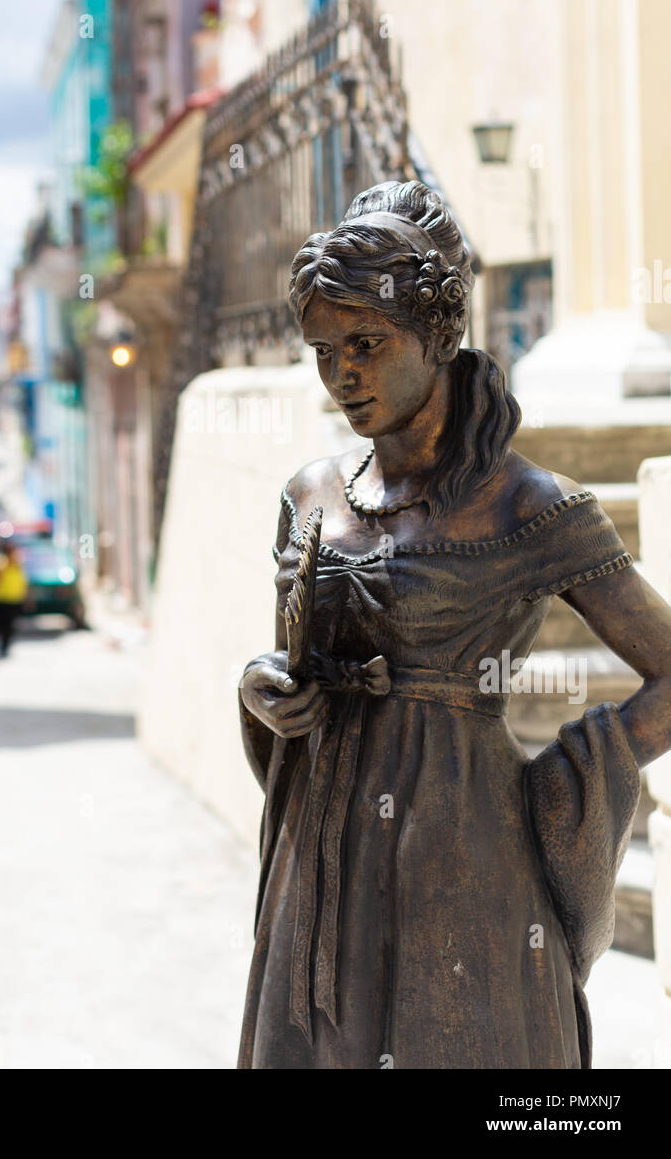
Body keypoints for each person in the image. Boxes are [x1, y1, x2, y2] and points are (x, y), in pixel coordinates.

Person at [237, 179, 671, 1070]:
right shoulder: (310, 495)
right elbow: (298, 663)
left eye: (366, 342)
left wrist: (572, 773)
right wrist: (263, 690)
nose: (341, 373)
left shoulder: (529, 505)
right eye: (323, 351)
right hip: (317, 864)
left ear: (438, 334)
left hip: (466, 855)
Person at [0, 542, 28, 657]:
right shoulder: (1, 565)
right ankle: (3, 645)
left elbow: (23, 581)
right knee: (4, 624)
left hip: (15, 599)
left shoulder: (18, 565)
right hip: (3, 600)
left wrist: (26, 597)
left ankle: (7, 644)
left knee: (12, 625)